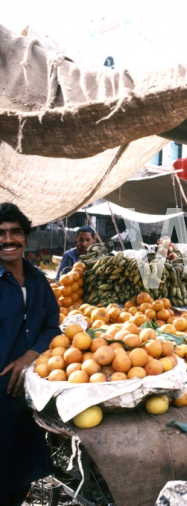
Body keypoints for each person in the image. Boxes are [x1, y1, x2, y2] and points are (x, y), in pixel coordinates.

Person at [0, 203, 59, 505]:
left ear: (25, 237)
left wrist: (31, 354)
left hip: (25, 400)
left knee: (20, 478)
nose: (8, 239)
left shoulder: (37, 280)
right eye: (0, 233)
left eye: (15, 232)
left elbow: (52, 326)